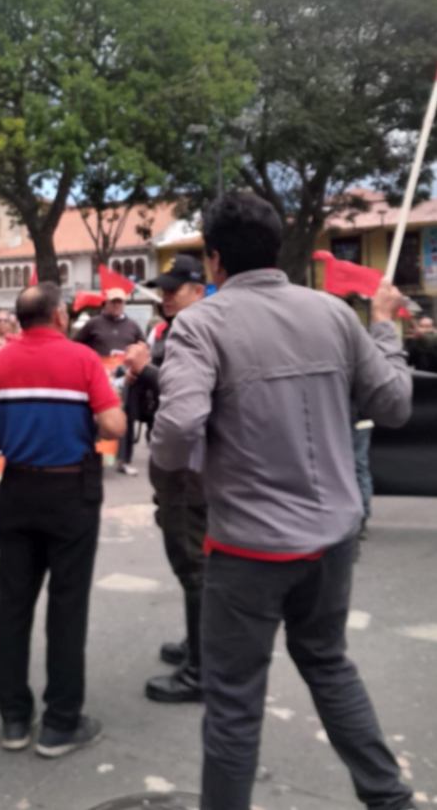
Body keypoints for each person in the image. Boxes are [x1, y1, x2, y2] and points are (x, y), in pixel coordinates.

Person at [151, 192, 416, 810]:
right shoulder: (331, 314)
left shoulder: (201, 324)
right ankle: (390, 799)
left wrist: (188, 461)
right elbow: (395, 404)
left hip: (247, 548)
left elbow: (174, 432)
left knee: (234, 703)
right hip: (332, 540)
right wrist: (385, 326)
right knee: (328, 664)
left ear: (214, 260)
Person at [0, 283, 126, 758]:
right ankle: (60, 723)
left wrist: (3, 431)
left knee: (13, 607)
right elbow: (113, 426)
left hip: (16, 490)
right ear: (58, 316)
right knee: (67, 607)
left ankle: (14, 719)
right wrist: (81, 425)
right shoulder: (82, 360)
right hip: (70, 490)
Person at [123, 253, 207, 703]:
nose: (167, 296)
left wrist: (144, 371)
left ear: (201, 289)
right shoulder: (177, 330)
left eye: (177, 288)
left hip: (191, 469)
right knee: (188, 562)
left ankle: (202, 669)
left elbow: (193, 399)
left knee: (195, 566)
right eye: (164, 288)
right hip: (180, 468)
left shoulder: (202, 331)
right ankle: (198, 645)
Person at [76, 288, 143, 474]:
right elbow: (77, 346)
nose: (116, 305)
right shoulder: (93, 324)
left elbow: (143, 348)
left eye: (120, 302)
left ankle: (124, 460)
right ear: (105, 303)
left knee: (125, 417)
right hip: (99, 377)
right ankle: (95, 456)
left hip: (125, 378)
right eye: (113, 301)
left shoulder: (133, 326)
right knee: (97, 416)